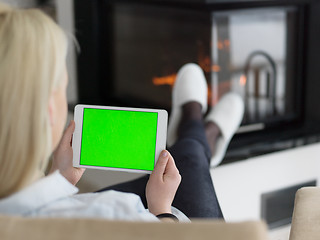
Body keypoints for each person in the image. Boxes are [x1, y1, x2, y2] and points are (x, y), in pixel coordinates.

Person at [0, 3, 244, 222]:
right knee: (190, 161)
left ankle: (198, 129)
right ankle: (196, 124)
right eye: (63, 87)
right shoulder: (114, 211)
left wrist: (60, 179)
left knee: (187, 160)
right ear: (50, 111)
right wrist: (160, 209)